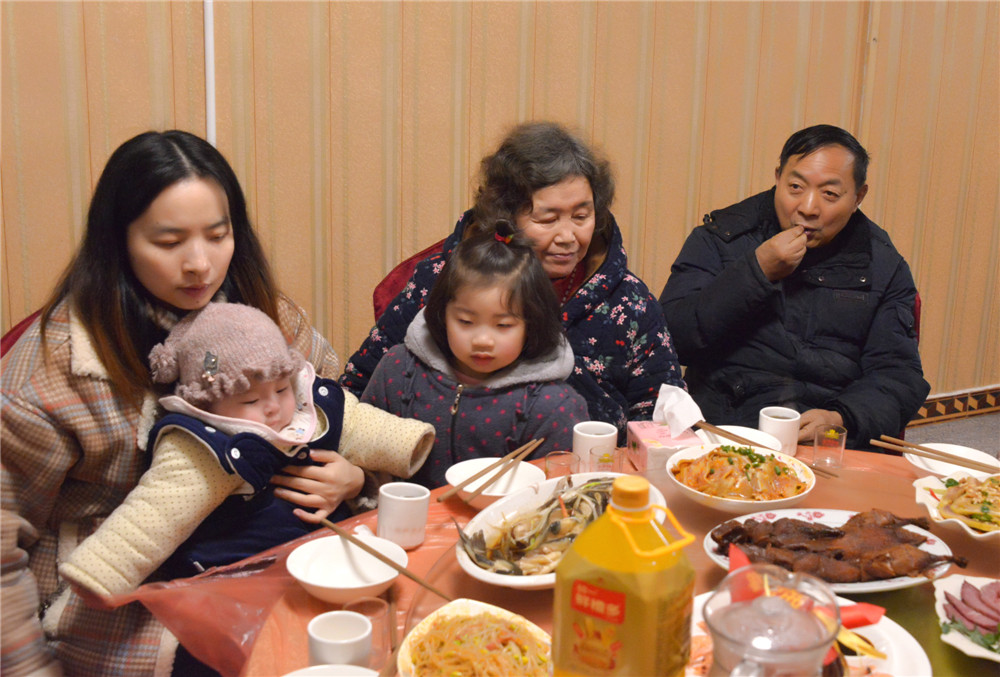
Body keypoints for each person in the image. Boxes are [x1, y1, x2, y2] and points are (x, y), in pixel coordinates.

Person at [3, 131, 378, 675]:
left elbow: (335, 413)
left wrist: (354, 476)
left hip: (279, 560)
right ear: (118, 242)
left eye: (218, 236)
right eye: (169, 241)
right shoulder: (59, 363)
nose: (200, 264)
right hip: (130, 608)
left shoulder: (263, 316)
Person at [59, 302, 434, 599]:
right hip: (240, 582)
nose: (273, 407)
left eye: (282, 389)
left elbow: (362, 425)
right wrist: (100, 576)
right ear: (207, 402)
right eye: (251, 399)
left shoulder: (309, 406)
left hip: (331, 561)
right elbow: (151, 517)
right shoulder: (202, 448)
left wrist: (407, 444)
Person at [341, 121, 685, 441]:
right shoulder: (442, 280)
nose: (568, 236)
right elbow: (358, 388)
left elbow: (663, 417)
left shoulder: (628, 301)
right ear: (505, 216)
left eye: (581, 216)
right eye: (547, 219)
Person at [659, 124, 929, 449]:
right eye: (796, 187)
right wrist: (756, 271)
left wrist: (841, 417)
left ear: (858, 197)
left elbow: (898, 373)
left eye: (830, 194)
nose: (808, 208)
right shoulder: (722, 237)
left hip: (827, 439)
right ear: (778, 177)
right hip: (727, 428)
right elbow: (672, 340)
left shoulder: (882, 264)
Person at [361, 227, 589, 488]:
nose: (482, 340)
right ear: (442, 315)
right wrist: (359, 479)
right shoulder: (398, 369)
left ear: (531, 325)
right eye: (466, 321)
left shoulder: (553, 407)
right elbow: (361, 450)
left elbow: (558, 493)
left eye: (503, 325)